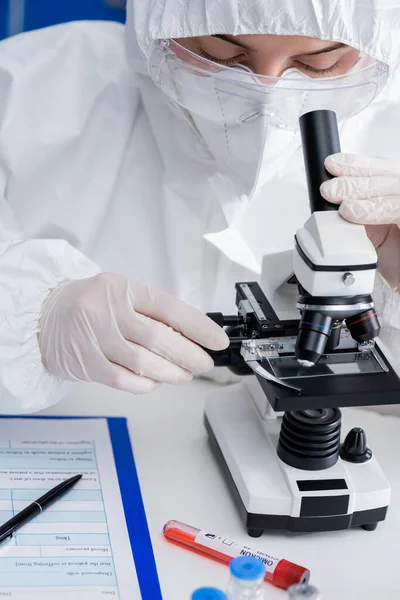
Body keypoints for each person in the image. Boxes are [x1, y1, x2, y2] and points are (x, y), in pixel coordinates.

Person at [0, 0, 399, 413]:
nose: (266, 97)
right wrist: (29, 319)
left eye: (320, 63)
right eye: (221, 53)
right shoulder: (26, 86)